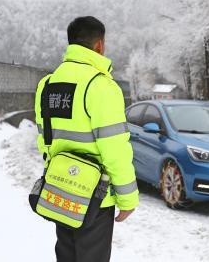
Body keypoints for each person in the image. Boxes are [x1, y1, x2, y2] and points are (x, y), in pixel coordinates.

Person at [34, 16, 139, 262]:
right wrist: (127, 197)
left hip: (60, 189)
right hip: (95, 196)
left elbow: (44, 140)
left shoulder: (47, 85)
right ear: (99, 45)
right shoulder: (101, 86)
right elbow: (115, 148)